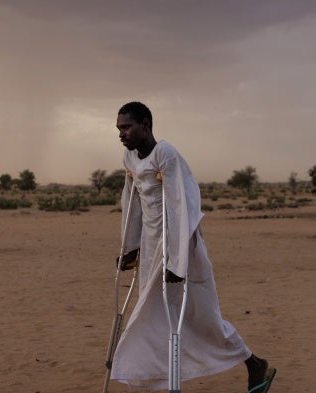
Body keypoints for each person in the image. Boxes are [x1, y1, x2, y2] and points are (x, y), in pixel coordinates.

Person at [110, 101, 275, 393]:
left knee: (200, 317)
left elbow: (179, 204)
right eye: (119, 128)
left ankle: (253, 363)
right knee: (155, 316)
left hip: (179, 245)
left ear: (145, 124)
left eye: (127, 127)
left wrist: (178, 260)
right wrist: (130, 248)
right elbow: (132, 202)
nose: (121, 133)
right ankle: (152, 381)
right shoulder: (129, 158)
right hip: (151, 250)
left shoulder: (165, 153)